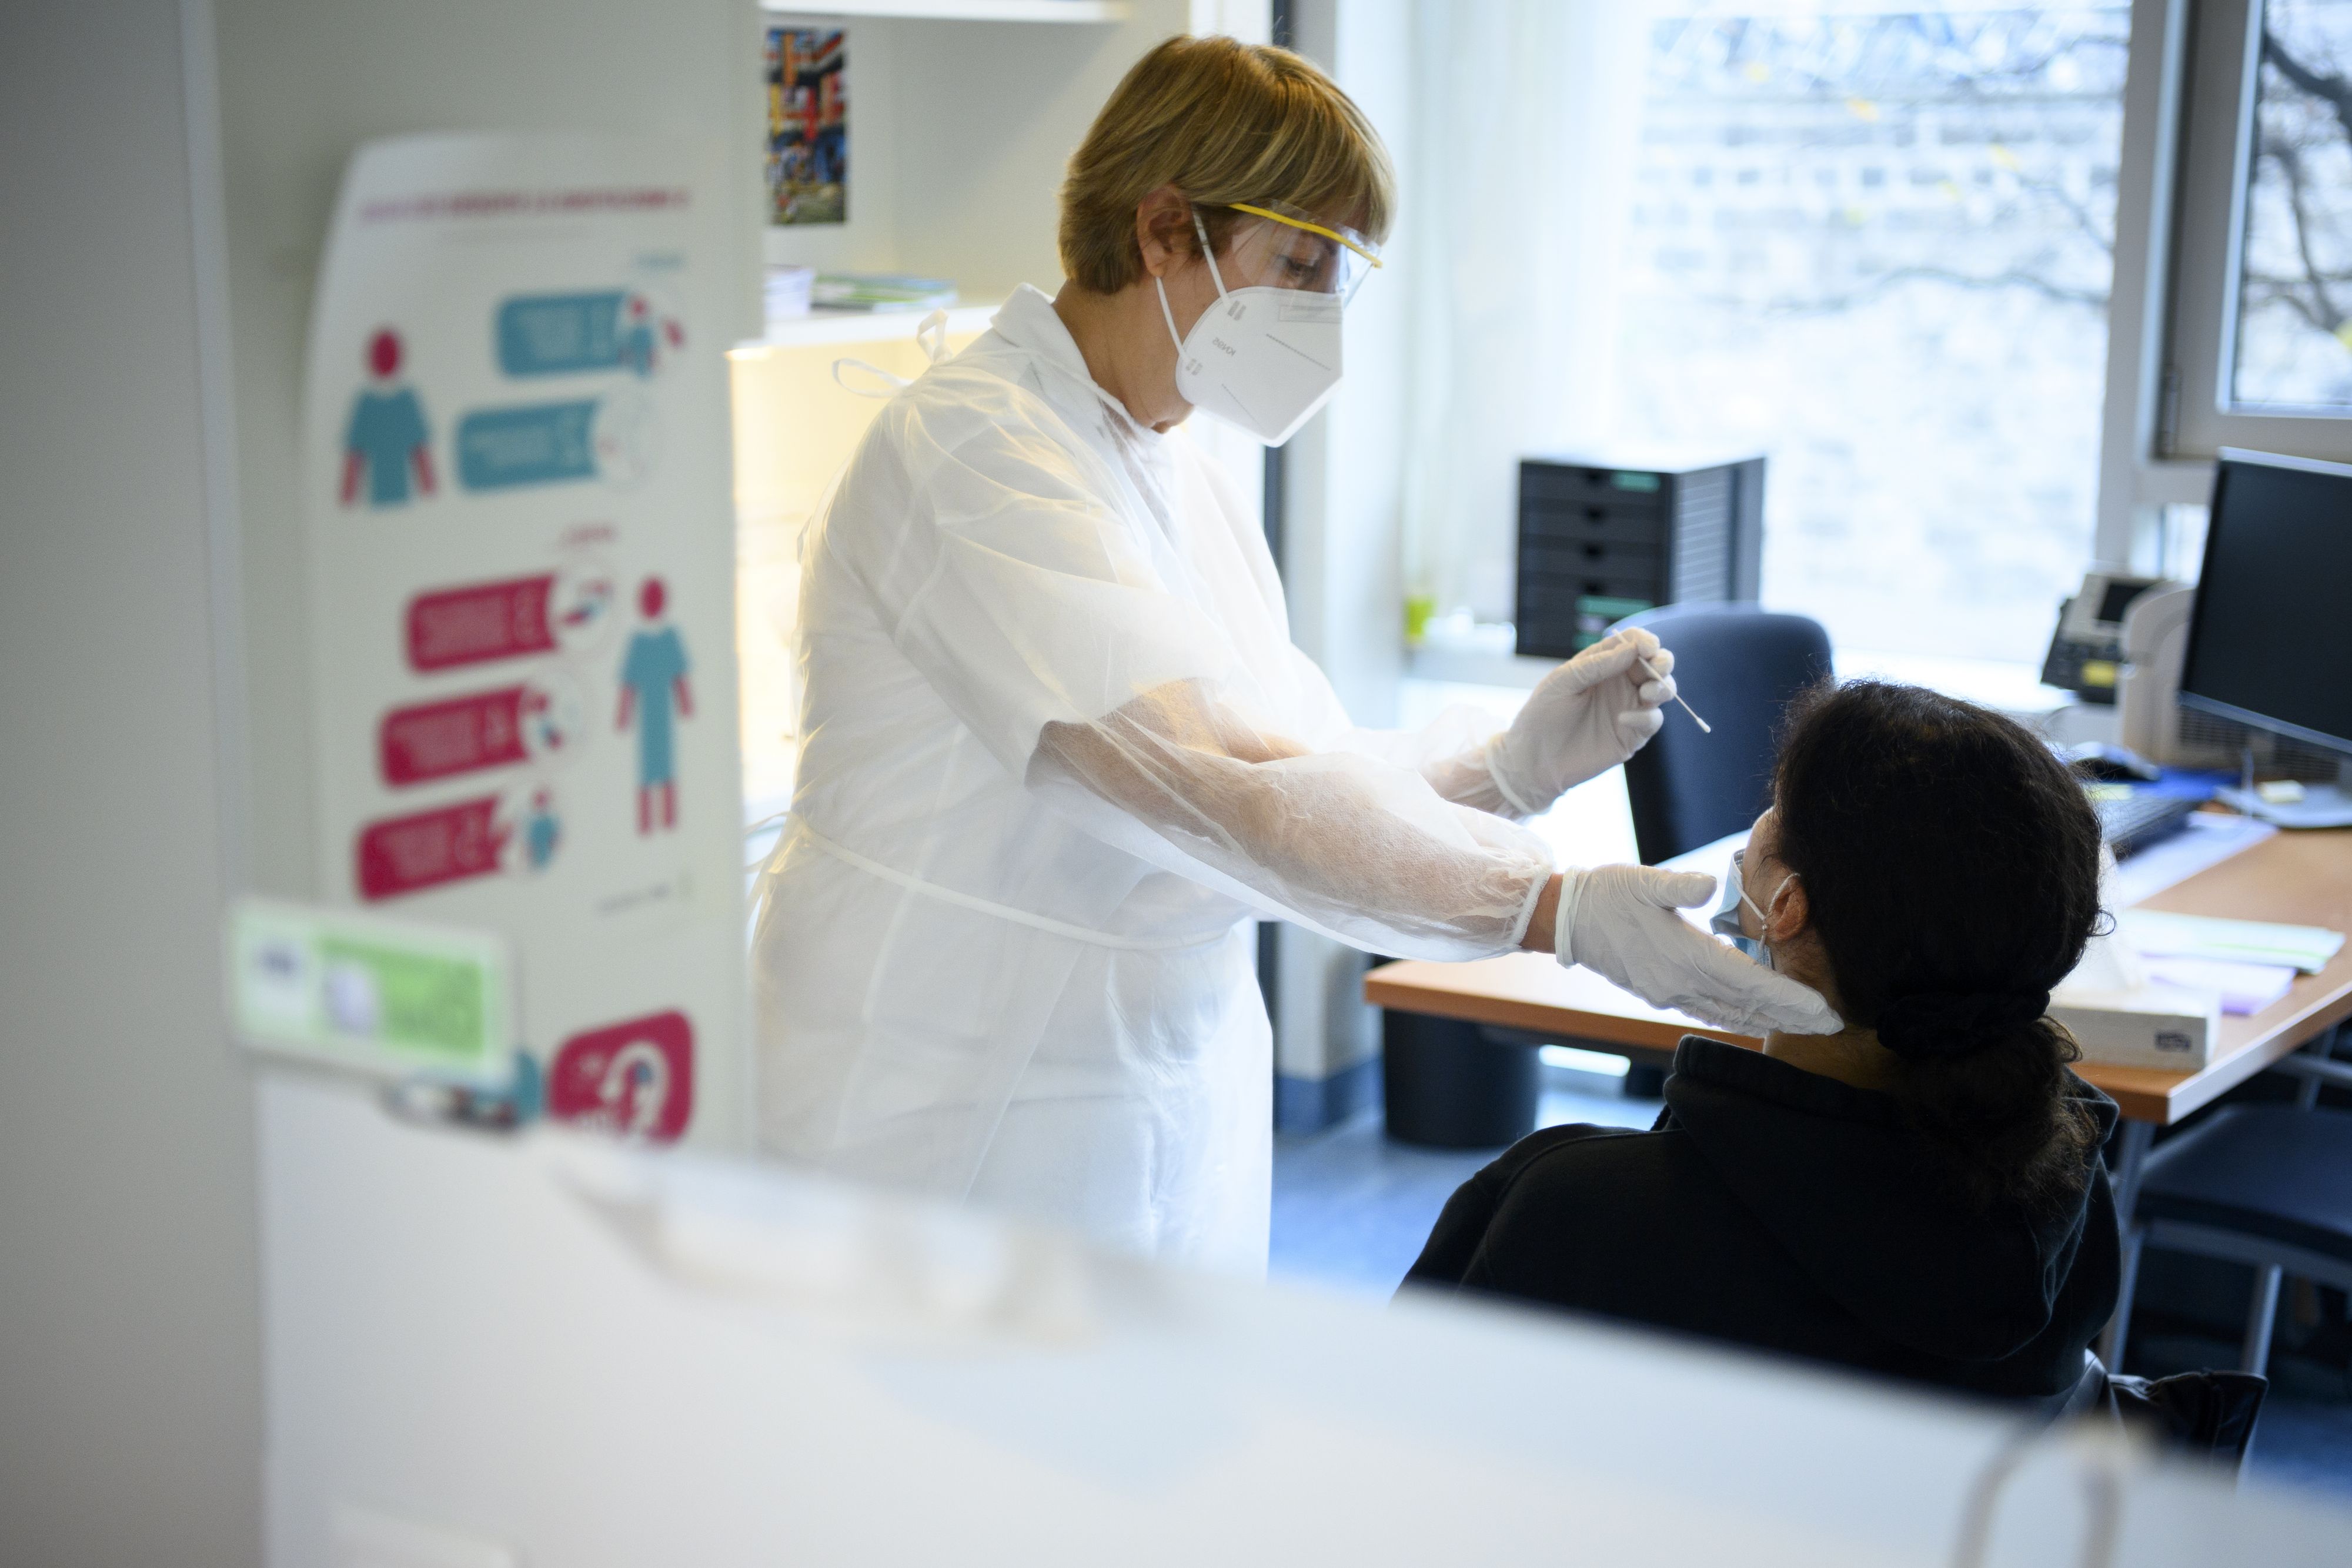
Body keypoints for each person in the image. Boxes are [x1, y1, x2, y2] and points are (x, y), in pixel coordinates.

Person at [751, 35, 1836, 1275]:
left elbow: (1301, 761)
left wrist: (1501, 766)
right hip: (943, 1091)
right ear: (1164, 229)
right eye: (1297, 266)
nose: (1320, 320)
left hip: (1145, 1076)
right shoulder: (968, 451)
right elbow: (1216, 779)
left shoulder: (1177, 468)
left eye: (1336, 278)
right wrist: (1548, 907)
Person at [1402, 681, 2122, 1402]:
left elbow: (1385, 1450)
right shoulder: (2066, 1181)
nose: (1756, 824)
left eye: (1777, 802)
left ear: (1785, 906)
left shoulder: (1570, 1207)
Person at [617, 577, 692, 834]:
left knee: (666, 770)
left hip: (662, 716)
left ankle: (669, 823)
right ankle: (647, 826)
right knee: (648, 771)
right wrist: (624, 716)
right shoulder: (638, 643)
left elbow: (680, 678)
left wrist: (686, 704)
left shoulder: (669, 639)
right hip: (648, 717)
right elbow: (628, 685)